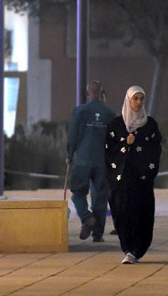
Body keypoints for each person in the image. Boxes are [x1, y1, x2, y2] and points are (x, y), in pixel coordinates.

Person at [106, 86, 162, 264]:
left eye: (141, 99)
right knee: (122, 212)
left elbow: (155, 148)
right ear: (128, 100)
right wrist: (125, 143)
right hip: (121, 180)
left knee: (141, 213)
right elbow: (108, 150)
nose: (138, 103)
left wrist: (139, 150)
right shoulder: (115, 125)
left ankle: (136, 250)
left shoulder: (150, 125)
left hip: (141, 179)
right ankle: (127, 247)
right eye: (135, 99)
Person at [66, 80, 115, 242]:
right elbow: (114, 141)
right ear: (102, 93)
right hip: (102, 162)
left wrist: (69, 154)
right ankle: (98, 234)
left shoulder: (80, 112)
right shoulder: (109, 114)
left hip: (83, 161)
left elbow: (73, 134)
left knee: (78, 193)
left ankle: (87, 218)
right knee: (100, 198)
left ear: (88, 93)